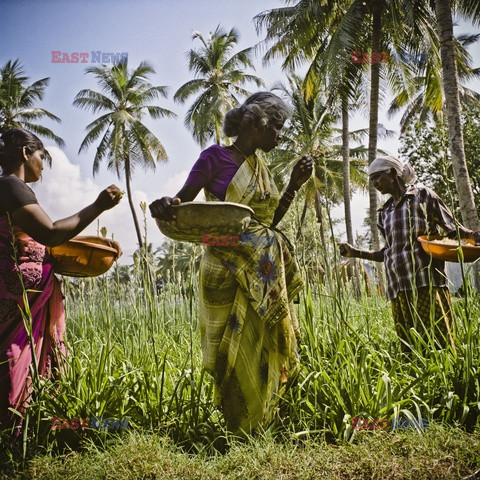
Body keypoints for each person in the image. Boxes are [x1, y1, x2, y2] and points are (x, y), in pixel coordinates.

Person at [150, 92, 313, 434]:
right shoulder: (215, 158)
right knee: (228, 351)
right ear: (259, 123)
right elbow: (184, 203)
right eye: (278, 128)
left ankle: (263, 424)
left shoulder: (262, 168)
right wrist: (166, 204)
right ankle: (235, 427)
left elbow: (267, 223)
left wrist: (294, 186)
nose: (280, 136)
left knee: (263, 342)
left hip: (261, 274)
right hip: (223, 267)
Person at [0, 128, 122, 431]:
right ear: (26, 153)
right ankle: (18, 427)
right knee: (15, 353)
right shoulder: (12, 186)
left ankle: (28, 425)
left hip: (17, 290)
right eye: (43, 156)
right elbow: (50, 232)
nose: (43, 164)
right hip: (17, 294)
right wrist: (98, 206)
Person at [338, 155, 480, 352]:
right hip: (399, 287)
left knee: (440, 344)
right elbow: (387, 253)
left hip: (426, 282)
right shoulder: (384, 213)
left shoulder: (423, 196)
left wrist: (475, 236)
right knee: (410, 348)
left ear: (393, 173)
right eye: (372, 180)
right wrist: (355, 252)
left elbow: (452, 230)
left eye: (377, 177)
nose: (375, 184)